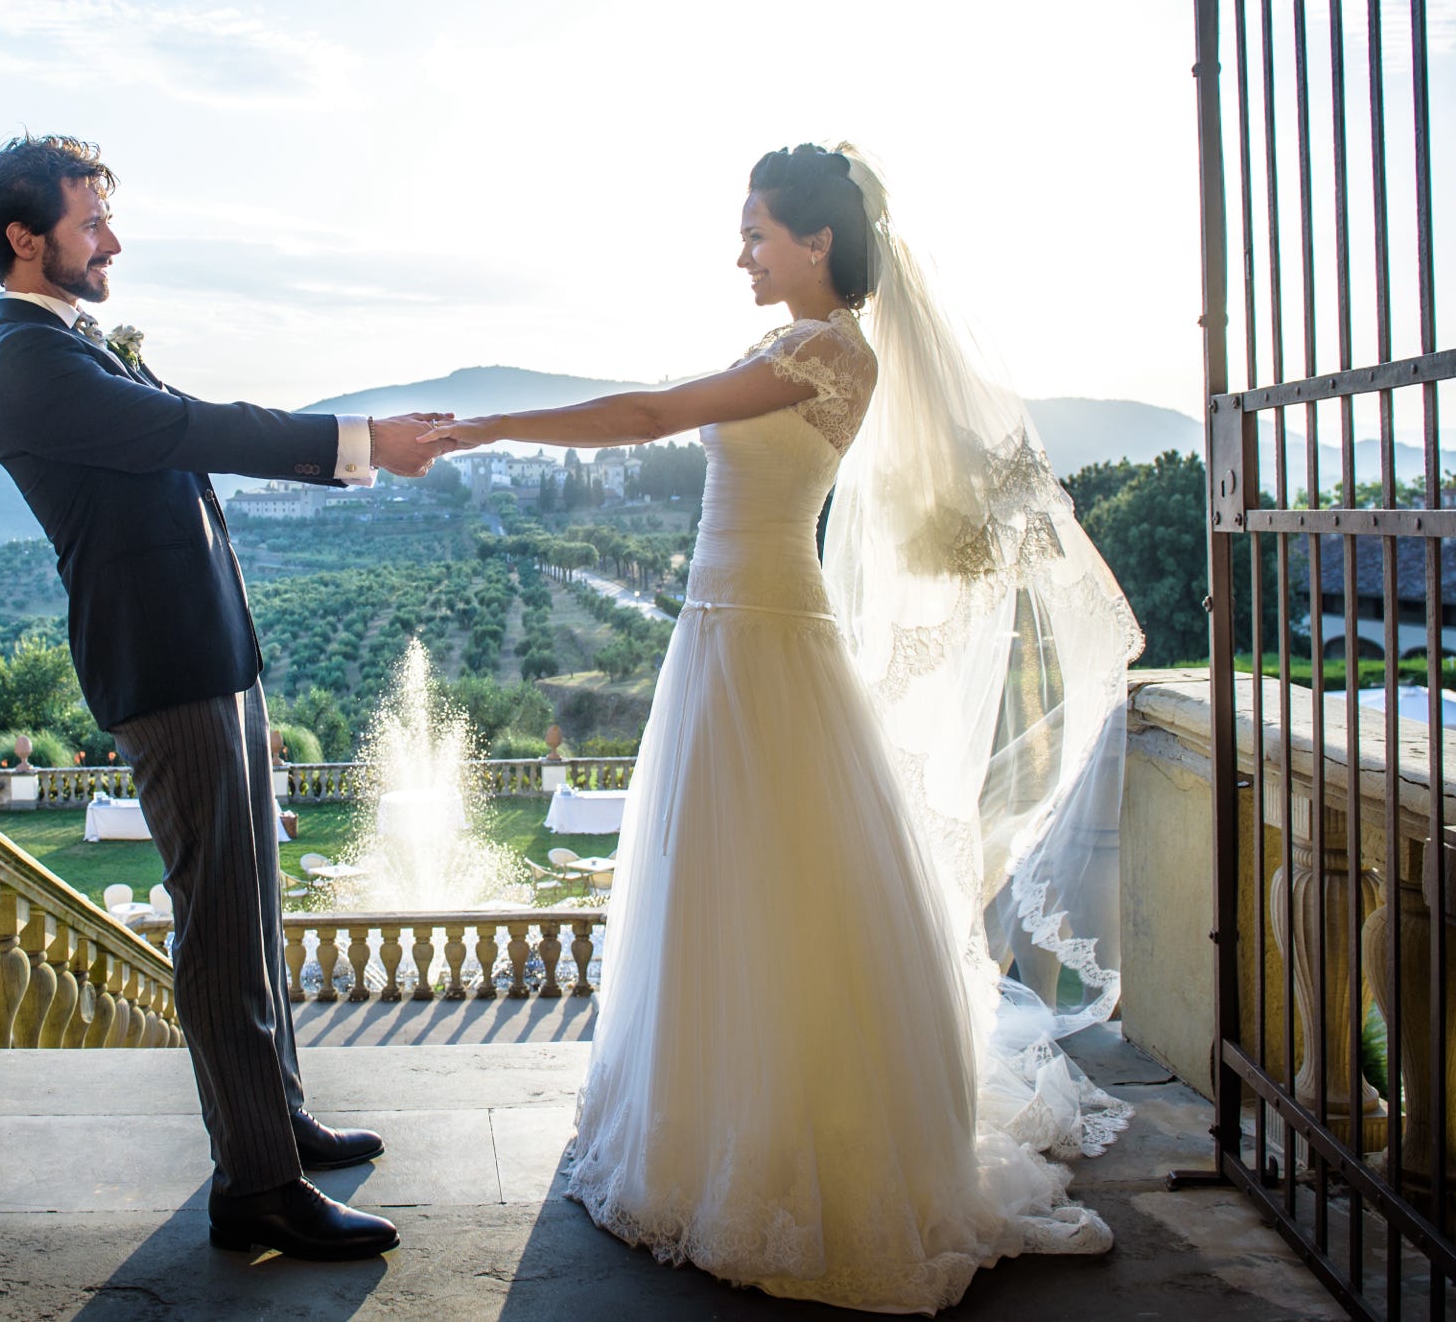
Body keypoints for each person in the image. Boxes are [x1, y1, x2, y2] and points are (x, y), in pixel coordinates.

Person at [419, 143, 1141, 1312]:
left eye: (757, 230)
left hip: (761, 637)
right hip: (725, 630)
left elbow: (655, 412)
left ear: (819, 241)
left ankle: (794, 1149)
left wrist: (485, 426)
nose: (741, 251)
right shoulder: (787, 343)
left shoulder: (826, 350)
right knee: (725, 880)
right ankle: (718, 1127)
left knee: (774, 882)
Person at [0, 134, 454, 1262]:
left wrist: (247, 664)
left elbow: (183, 467)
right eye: (92, 223)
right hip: (164, 669)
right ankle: (256, 1188)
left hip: (209, 658)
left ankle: (273, 1120)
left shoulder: (73, 347)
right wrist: (360, 442)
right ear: (25, 239)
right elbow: (193, 431)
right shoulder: (28, 362)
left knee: (255, 906)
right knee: (220, 927)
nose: (113, 243)